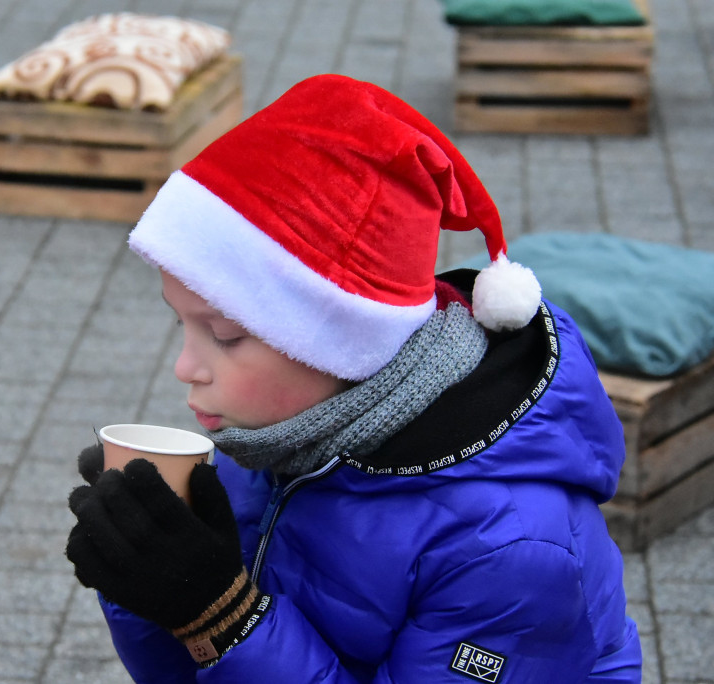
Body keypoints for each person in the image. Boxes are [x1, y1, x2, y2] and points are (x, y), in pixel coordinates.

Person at [66, 74, 642, 682]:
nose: (185, 367)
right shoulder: (282, 433)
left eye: (226, 336)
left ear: (340, 344)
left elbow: (220, 630)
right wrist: (145, 582)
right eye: (181, 322)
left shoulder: (508, 548)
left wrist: (220, 621)